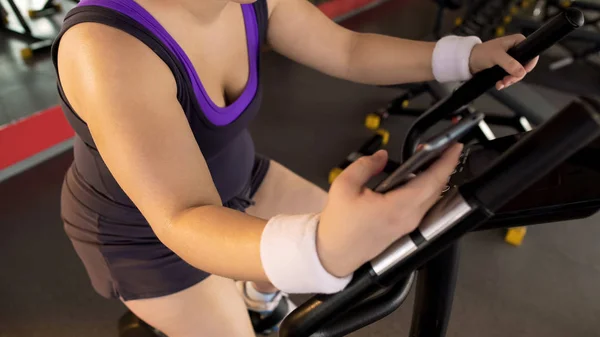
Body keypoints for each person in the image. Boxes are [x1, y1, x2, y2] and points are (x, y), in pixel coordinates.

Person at [52, 0, 538, 335]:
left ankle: (259, 295)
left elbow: (348, 50)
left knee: (379, 256)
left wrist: (466, 57)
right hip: (145, 238)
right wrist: (319, 250)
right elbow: (181, 215)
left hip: (239, 178)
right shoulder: (107, 46)